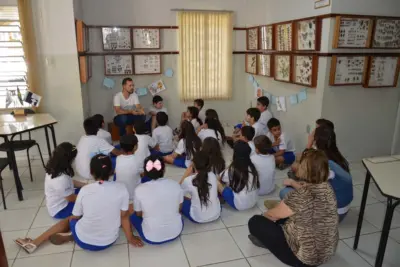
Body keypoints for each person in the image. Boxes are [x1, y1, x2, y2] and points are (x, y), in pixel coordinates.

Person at [15, 155, 143, 254]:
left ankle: (38, 242)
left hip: (83, 239)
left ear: (91, 172)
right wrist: (130, 238)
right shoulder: (121, 188)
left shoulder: (85, 191)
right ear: (112, 171)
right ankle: (73, 235)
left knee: (70, 219)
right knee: (127, 210)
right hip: (108, 241)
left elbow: (75, 217)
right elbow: (124, 217)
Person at [248, 149, 339, 267]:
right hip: (327, 252)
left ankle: (268, 241)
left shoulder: (299, 196)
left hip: (303, 259)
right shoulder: (327, 188)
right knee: (287, 217)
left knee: (255, 221)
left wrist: (265, 218)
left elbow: (271, 215)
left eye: (297, 162)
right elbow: (307, 193)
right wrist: (292, 183)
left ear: (304, 168)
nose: (294, 164)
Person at [282, 126, 352, 221]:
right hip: (340, 207)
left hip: (332, 215)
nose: (310, 135)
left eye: (312, 134)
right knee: (294, 186)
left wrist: (292, 183)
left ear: (315, 140)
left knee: (285, 192)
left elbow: (313, 193)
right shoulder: (331, 158)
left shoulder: (320, 163)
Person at [130, 155, 184, 244]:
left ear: (145, 171)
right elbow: (179, 209)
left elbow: (139, 214)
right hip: (176, 231)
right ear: (164, 169)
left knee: (131, 214)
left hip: (151, 237)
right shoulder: (175, 185)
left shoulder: (139, 190)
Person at [44, 142, 85, 219]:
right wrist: (88, 197)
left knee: (86, 191)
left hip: (64, 199)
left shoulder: (54, 168)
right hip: (61, 210)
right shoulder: (61, 179)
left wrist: (85, 185)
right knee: (90, 203)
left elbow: (70, 182)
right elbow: (71, 198)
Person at [75, 117, 121, 182]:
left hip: (81, 171)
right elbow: (117, 153)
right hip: (92, 174)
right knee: (120, 159)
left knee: (117, 147)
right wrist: (130, 152)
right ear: (97, 129)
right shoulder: (99, 140)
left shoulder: (82, 138)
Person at [180, 151, 221, 223]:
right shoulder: (212, 175)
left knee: (180, 199)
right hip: (216, 214)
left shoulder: (189, 180)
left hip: (198, 218)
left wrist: (185, 175)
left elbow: (177, 192)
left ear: (193, 164)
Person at [218, 141, 259, 211]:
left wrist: (230, 165)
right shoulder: (253, 166)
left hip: (239, 205)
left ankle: (218, 198)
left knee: (217, 182)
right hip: (253, 201)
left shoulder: (231, 170)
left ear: (235, 154)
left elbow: (220, 177)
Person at [115, 134, 142, 214]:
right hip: (133, 194)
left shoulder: (118, 158)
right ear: (135, 147)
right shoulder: (138, 159)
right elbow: (142, 173)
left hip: (121, 193)